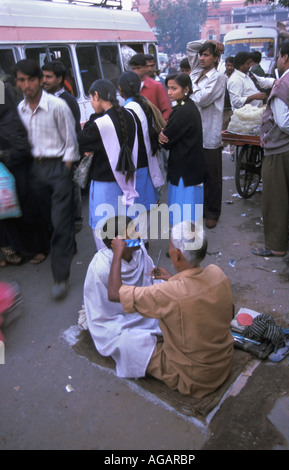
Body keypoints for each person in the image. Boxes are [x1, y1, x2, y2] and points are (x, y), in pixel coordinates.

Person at [107, 220, 234, 399]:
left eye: (170, 247)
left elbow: (114, 293)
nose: (169, 250)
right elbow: (198, 296)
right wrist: (174, 278)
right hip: (223, 363)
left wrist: (117, 253)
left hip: (194, 379)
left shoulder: (169, 293)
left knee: (127, 343)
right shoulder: (218, 273)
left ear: (179, 256)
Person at [14, 59, 79, 300]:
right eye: (22, 80)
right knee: (46, 219)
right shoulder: (19, 110)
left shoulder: (57, 106)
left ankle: (60, 276)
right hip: (35, 169)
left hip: (58, 166)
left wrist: (65, 170)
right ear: (17, 82)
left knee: (60, 221)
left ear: (40, 80)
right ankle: (66, 244)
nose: (27, 84)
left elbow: (71, 143)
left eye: (31, 79)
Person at [83, 215, 162, 378]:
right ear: (117, 243)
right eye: (132, 234)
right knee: (130, 343)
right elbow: (114, 296)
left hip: (142, 307)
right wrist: (118, 254)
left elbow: (151, 277)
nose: (139, 237)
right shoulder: (100, 267)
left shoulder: (139, 250)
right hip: (115, 320)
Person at [77, 79, 138, 251]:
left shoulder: (101, 123)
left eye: (91, 98)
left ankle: (111, 266)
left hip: (105, 186)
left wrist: (96, 117)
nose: (91, 102)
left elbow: (81, 140)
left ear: (96, 95)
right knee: (127, 227)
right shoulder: (129, 116)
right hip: (127, 180)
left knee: (104, 230)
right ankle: (131, 264)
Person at [252, 40, 289, 258]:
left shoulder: (284, 82)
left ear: (285, 57)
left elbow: (283, 121)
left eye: (279, 56)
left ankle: (277, 246)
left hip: (280, 148)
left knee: (275, 198)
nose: (278, 60)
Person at [0, 82, 49, 266]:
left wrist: (4, 154)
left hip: (22, 173)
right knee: (10, 213)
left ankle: (40, 248)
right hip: (6, 173)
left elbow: (24, 149)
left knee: (29, 212)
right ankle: (17, 250)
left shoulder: (12, 120)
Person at [118, 71, 165, 242]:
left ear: (120, 89)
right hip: (146, 160)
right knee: (145, 204)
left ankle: (140, 242)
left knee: (137, 206)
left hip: (137, 163)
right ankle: (143, 240)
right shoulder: (144, 104)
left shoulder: (128, 110)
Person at [187, 39, 226, 229]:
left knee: (212, 176)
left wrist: (187, 92)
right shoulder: (195, 71)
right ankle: (199, 209)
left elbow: (202, 99)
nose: (201, 58)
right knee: (196, 174)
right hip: (194, 134)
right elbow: (190, 47)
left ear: (216, 59)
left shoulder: (219, 77)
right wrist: (208, 41)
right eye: (201, 55)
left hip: (209, 135)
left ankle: (213, 212)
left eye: (206, 54)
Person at [42, 60, 83, 234]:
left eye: (48, 77)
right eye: (42, 76)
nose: (44, 80)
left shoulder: (68, 100)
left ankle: (76, 220)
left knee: (71, 190)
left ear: (60, 79)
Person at [158, 73, 204, 228]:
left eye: (174, 88)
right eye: (168, 88)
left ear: (186, 89)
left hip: (184, 170)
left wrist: (161, 135)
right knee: (189, 211)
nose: (169, 92)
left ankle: (181, 248)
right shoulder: (187, 106)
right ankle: (186, 247)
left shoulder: (182, 111)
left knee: (183, 213)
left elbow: (166, 141)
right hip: (190, 167)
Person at [129, 53, 171, 122]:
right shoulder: (130, 86)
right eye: (133, 68)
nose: (136, 71)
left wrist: (162, 128)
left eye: (138, 68)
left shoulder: (156, 86)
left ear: (145, 68)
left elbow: (166, 109)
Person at [222, 56, 235, 159]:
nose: (229, 67)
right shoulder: (222, 77)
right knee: (223, 131)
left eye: (231, 65)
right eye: (228, 65)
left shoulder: (236, 78)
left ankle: (233, 154)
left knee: (233, 132)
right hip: (224, 109)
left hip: (233, 109)